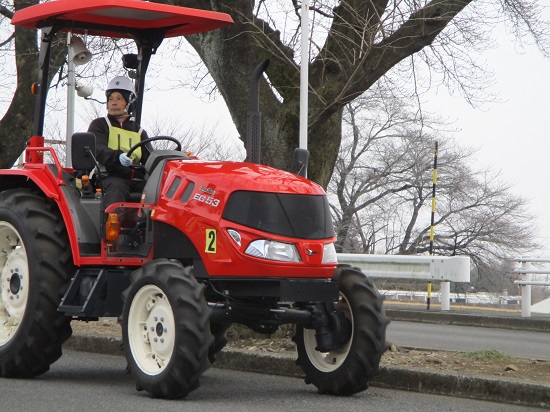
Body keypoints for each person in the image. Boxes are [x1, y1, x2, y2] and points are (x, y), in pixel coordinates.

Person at [88, 76, 151, 207]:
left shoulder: (139, 132)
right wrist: (118, 157)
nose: (113, 103)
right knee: (118, 186)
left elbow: (150, 159)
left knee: (158, 190)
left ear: (130, 102)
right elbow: (98, 149)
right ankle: (109, 225)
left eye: (119, 98)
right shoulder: (100, 125)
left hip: (135, 179)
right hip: (108, 177)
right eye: (110, 99)